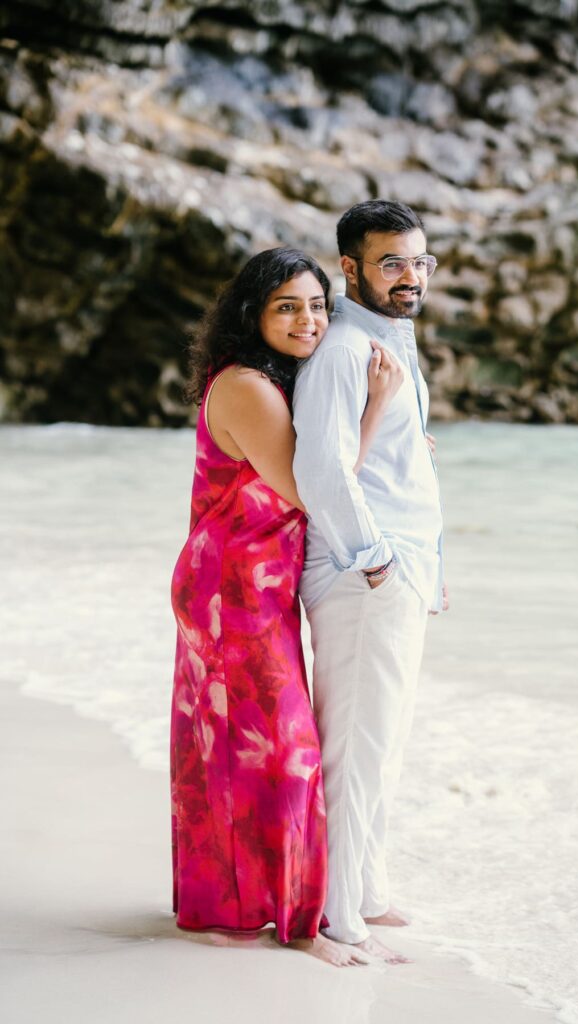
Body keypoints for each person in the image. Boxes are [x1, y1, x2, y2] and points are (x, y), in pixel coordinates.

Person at [170, 246, 403, 968]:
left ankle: (232, 905)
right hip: (231, 591)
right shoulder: (248, 387)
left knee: (234, 748)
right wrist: (375, 412)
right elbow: (313, 489)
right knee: (286, 751)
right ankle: (301, 925)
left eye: (317, 306)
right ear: (253, 314)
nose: (308, 320)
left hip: (249, 585)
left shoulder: (272, 379)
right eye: (287, 307)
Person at [292, 200, 447, 964]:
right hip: (364, 577)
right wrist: (375, 560)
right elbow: (319, 468)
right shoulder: (343, 350)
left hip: (398, 570)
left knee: (383, 741)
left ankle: (367, 889)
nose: (410, 276)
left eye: (420, 261)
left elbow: (397, 468)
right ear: (349, 267)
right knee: (355, 746)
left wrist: (426, 568)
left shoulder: (390, 343)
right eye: (392, 263)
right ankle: (334, 916)